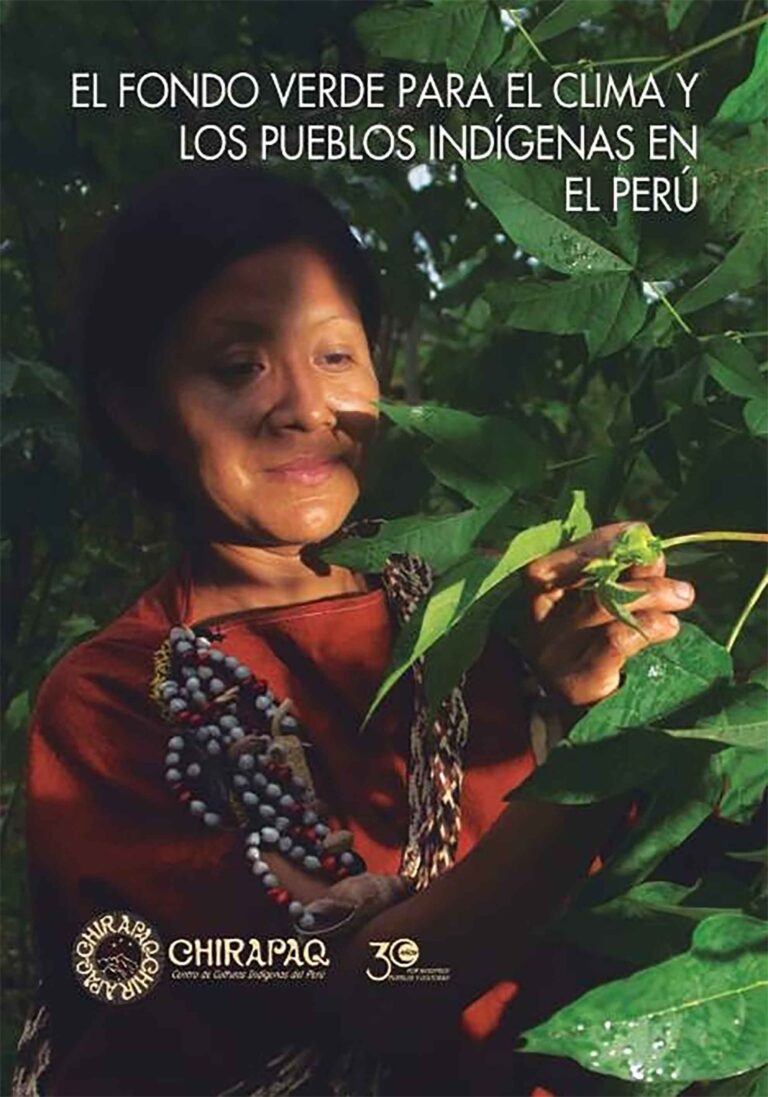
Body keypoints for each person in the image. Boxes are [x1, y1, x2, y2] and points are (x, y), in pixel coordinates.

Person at [16, 166, 696, 1097]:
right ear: (135, 409)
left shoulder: (488, 612)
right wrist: (587, 760)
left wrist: (619, 677)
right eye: (237, 366)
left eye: (336, 356)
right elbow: (371, 992)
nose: (305, 405)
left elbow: (669, 890)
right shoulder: (113, 701)